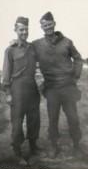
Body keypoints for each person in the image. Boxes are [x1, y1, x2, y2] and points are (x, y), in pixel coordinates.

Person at [32, 12, 83, 158]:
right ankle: (53, 145)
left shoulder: (67, 42)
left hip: (68, 87)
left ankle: (77, 146)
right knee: (52, 119)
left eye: (49, 24)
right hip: (51, 88)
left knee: (73, 117)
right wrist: (14, 42)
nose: (47, 27)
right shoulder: (37, 45)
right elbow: (24, 49)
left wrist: (75, 76)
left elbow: (78, 59)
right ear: (41, 27)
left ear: (54, 23)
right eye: (44, 25)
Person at [2, 17, 40, 163]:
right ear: (15, 30)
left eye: (26, 29)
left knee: (34, 120)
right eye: (21, 29)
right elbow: (6, 72)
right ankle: (17, 152)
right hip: (17, 90)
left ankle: (33, 147)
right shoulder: (10, 50)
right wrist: (7, 92)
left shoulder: (33, 47)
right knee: (17, 122)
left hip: (32, 88)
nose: (24, 32)